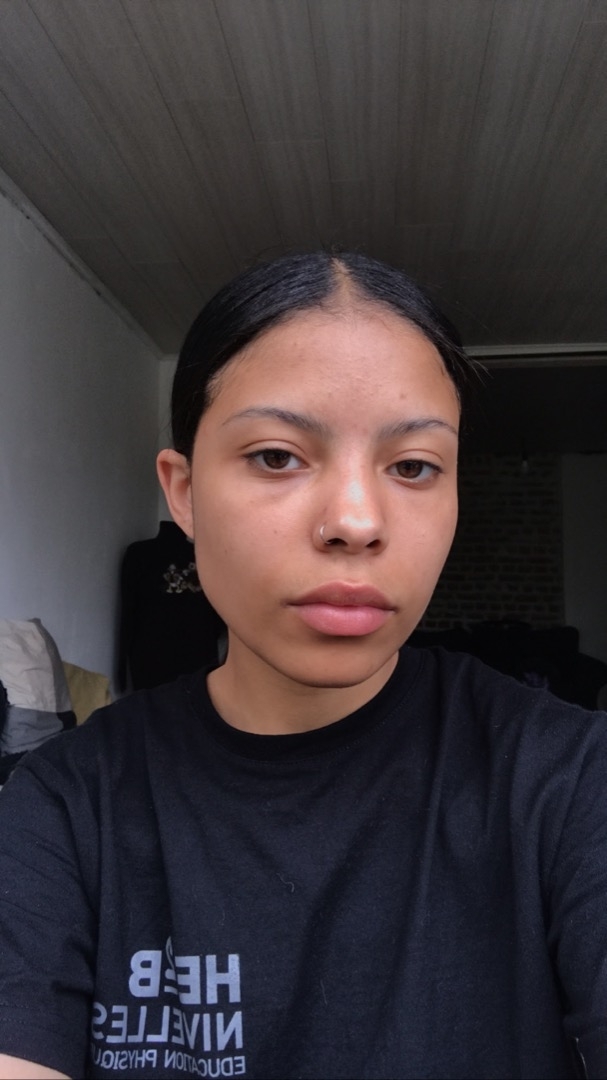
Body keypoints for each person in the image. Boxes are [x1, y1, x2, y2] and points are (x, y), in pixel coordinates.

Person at [0, 251, 605, 1080]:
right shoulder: (66, 804)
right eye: (277, 456)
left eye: (413, 466)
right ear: (182, 492)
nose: (355, 521)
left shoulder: (571, 781)